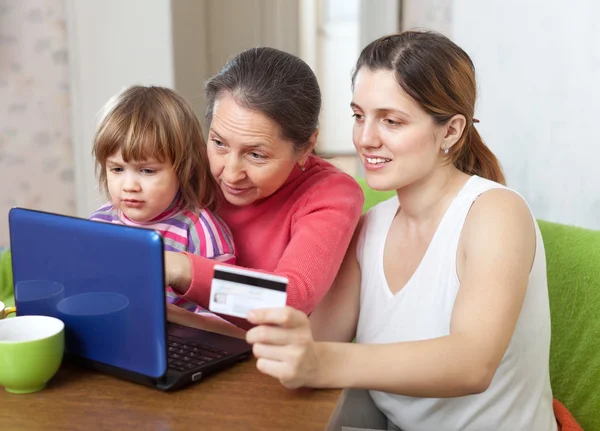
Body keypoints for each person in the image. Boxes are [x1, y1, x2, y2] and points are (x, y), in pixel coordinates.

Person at [245, 31, 562, 431]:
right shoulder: (369, 227)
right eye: (359, 116)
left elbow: (471, 363)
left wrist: (321, 362)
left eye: (391, 121)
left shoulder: (495, 214)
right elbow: (313, 339)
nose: (365, 138)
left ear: (450, 131)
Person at [164, 48, 365, 328]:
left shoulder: (331, 193)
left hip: (258, 361)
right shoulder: (189, 167)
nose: (231, 174)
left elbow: (289, 299)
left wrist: (180, 269)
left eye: (256, 155)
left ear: (305, 147)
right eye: (219, 143)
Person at [89, 85, 236, 316]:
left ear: (183, 169)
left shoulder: (200, 230)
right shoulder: (99, 222)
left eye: (147, 171)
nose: (129, 186)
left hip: (184, 343)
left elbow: (223, 312)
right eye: (117, 169)